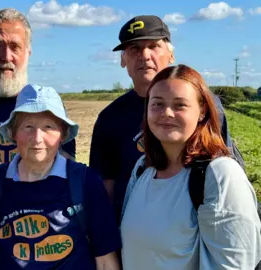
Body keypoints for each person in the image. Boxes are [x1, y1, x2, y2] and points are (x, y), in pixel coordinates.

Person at [89, 15, 240, 223]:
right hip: (135, 232)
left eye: (154, 46)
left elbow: (226, 171)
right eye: (134, 49)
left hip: (196, 230)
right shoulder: (110, 118)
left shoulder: (204, 105)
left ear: (171, 54)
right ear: (123, 60)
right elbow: (106, 187)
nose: (145, 55)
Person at [0, 8, 76, 269]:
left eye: (15, 46)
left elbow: (68, 185)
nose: (6, 56)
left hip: (40, 250)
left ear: (28, 53)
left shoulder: (51, 113)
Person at [120, 64, 261, 269]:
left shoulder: (219, 175)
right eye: (157, 104)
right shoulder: (143, 169)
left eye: (180, 105)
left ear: (202, 111)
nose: (166, 113)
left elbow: (235, 264)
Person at [0, 84, 121, 270]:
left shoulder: (85, 181)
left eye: (48, 127)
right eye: (28, 126)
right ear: (13, 132)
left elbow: (106, 261)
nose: (37, 138)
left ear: (63, 134)